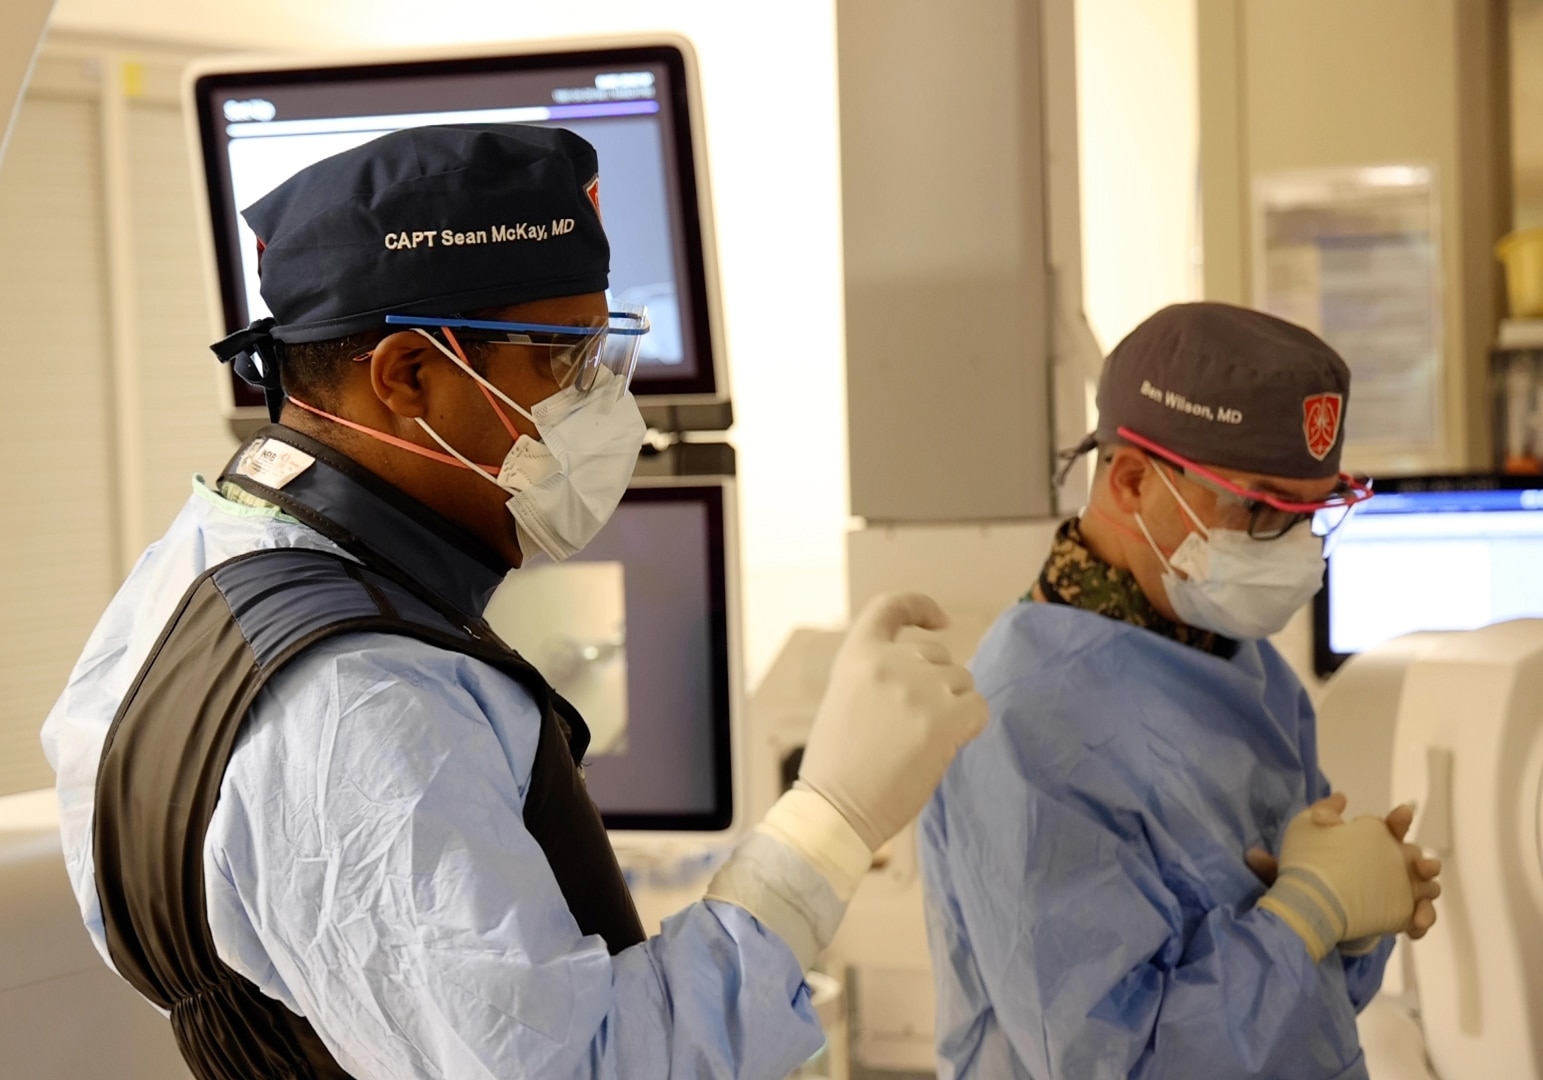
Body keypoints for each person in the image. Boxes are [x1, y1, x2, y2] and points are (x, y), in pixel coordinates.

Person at [40, 124, 988, 1079]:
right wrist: (827, 824)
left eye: (599, 356)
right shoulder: (360, 700)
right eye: (560, 361)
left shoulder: (211, 554)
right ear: (408, 376)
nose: (607, 408)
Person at [918, 302, 1443, 1079]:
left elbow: (1304, 1014)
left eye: (1315, 512)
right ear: (1131, 480)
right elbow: (1109, 1062)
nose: (1296, 550)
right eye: (1262, 508)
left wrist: (1354, 920)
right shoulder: (1024, 719)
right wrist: (1305, 916)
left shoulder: (1241, 662)